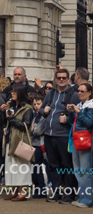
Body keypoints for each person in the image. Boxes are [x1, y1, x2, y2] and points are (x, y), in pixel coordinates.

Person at [43, 66, 79, 202]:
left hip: (64, 135)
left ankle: (69, 194)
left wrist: (67, 119)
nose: (62, 80)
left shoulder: (74, 95)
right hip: (49, 134)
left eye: (64, 78)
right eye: (59, 78)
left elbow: (77, 115)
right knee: (53, 165)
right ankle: (56, 192)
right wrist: (44, 111)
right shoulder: (50, 94)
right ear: (55, 79)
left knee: (67, 165)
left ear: (68, 79)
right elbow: (42, 109)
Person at [3, 83, 34, 201]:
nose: (12, 94)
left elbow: (25, 125)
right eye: (12, 91)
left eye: (14, 92)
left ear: (20, 93)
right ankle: (15, 191)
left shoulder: (27, 108)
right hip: (10, 139)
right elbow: (6, 121)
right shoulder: (12, 106)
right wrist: (5, 112)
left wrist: (11, 118)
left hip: (21, 141)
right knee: (11, 167)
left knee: (22, 167)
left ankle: (23, 192)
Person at [66, 79, 93, 208]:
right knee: (78, 170)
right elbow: (73, 122)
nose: (79, 93)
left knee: (85, 170)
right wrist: (71, 113)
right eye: (79, 91)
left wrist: (78, 111)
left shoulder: (90, 105)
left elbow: (89, 123)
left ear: (90, 93)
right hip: (77, 139)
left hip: (85, 140)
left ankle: (87, 199)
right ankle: (82, 197)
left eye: (82, 91)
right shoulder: (81, 105)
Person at [30, 93, 48, 199]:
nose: (36, 106)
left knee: (38, 168)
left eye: (39, 103)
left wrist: (33, 129)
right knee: (34, 168)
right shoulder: (34, 115)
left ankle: (41, 189)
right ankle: (37, 188)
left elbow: (39, 130)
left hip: (41, 144)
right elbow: (32, 129)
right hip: (33, 144)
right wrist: (33, 129)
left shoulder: (43, 116)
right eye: (35, 104)